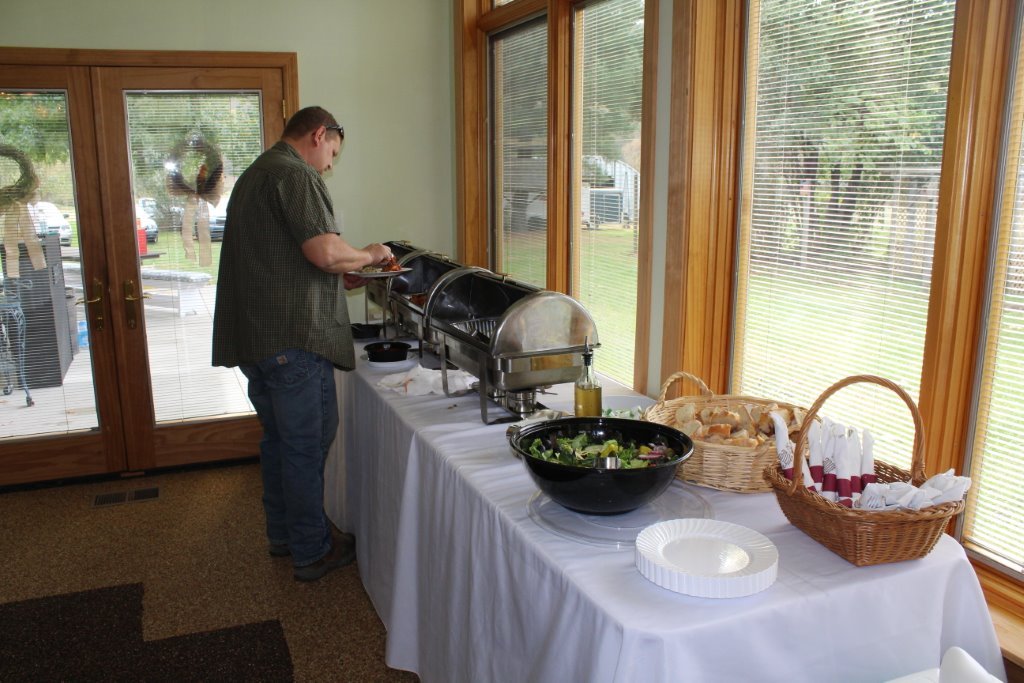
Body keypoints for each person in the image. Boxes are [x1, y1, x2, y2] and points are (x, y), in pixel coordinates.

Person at [212, 106, 393, 582]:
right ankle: (312, 550)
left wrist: (344, 272)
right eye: (332, 153)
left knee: (279, 444)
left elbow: (285, 258)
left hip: (258, 339)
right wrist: (370, 254)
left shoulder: (256, 174)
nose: (329, 165)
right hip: (293, 341)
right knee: (305, 448)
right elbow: (325, 251)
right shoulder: (295, 174)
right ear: (318, 135)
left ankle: (284, 535)